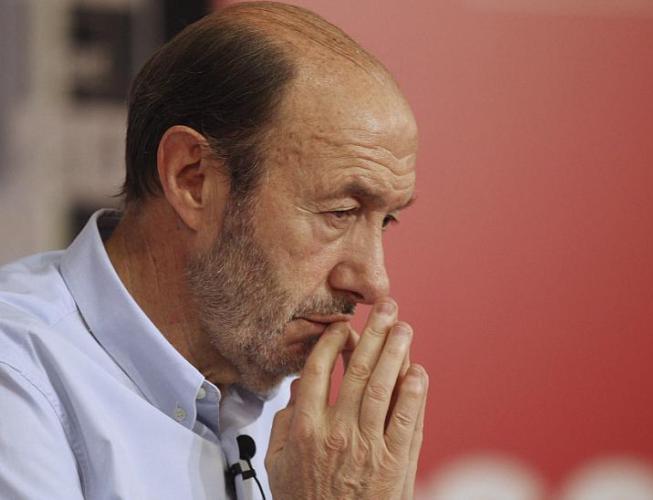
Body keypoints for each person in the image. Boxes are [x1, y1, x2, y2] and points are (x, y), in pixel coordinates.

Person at [0, 2, 428, 499]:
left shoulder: (275, 374)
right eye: (340, 212)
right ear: (193, 180)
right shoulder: (18, 383)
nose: (374, 281)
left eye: (386, 220)